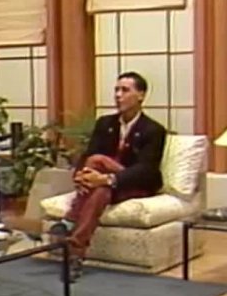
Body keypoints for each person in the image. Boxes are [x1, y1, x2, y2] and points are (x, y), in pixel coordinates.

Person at [49, 72, 166, 282]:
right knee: (99, 185)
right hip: (106, 184)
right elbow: (87, 155)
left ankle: (69, 221)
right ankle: (76, 255)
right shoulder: (105, 123)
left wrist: (107, 179)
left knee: (98, 161)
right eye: (116, 90)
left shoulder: (154, 130)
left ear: (141, 95)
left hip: (135, 182)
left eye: (125, 90)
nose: (118, 95)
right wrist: (80, 176)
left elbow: (146, 170)